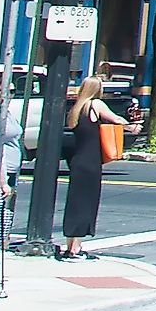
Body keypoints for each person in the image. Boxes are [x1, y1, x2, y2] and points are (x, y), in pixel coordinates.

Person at [59, 75, 121, 259]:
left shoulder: (76, 109)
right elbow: (116, 119)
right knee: (87, 203)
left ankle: (70, 244)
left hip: (78, 161)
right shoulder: (96, 104)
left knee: (75, 203)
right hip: (91, 162)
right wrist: (131, 126)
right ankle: (76, 249)